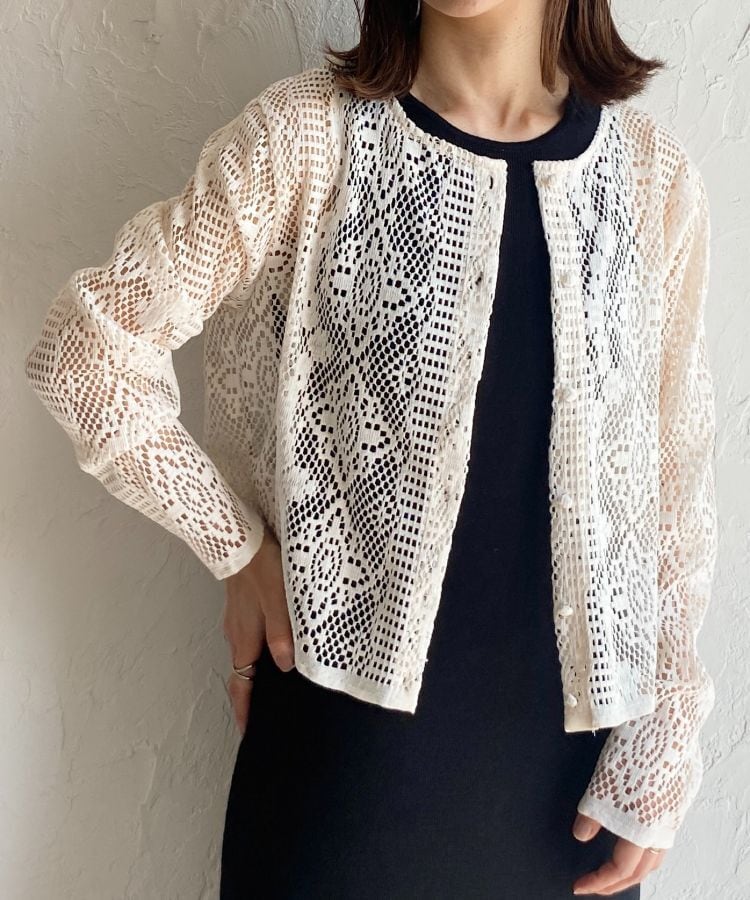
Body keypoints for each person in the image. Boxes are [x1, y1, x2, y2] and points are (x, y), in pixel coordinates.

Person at [24, 1, 719, 897]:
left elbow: (674, 486)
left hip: (572, 809)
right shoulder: (304, 139)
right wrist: (237, 549)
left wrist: (669, 733)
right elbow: (86, 351)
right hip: (344, 798)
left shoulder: (653, 181)